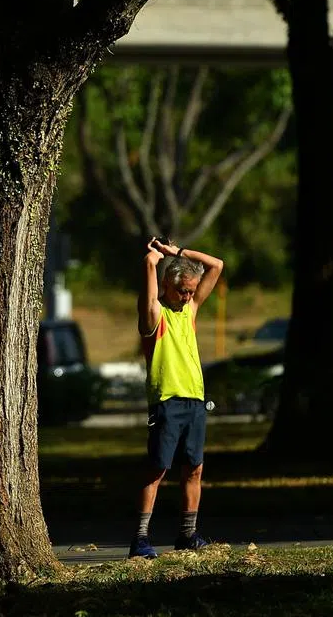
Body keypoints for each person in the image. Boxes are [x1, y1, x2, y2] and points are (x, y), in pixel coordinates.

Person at [129, 237, 224, 559]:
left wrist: (178, 252)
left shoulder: (191, 309)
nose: (188, 296)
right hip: (166, 401)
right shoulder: (155, 314)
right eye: (183, 291)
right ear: (169, 286)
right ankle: (140, 538)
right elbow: (148, 273)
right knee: (157, 469)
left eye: (191, 291)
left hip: (194, 400)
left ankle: (187, 534)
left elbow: (217, 265)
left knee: (194, 469)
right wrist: (152, 261)